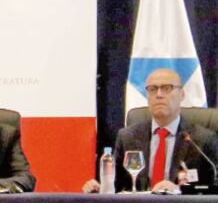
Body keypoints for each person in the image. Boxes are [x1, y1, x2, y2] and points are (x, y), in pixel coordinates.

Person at [83, 68, 218, 193]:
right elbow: (115, 186)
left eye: (166, 88)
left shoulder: (202, 139)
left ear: (182, 95)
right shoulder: (127, 137)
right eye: (153, 89)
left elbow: (213, 189)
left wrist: (178, 191)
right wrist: (99, 189)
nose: (159, 95)